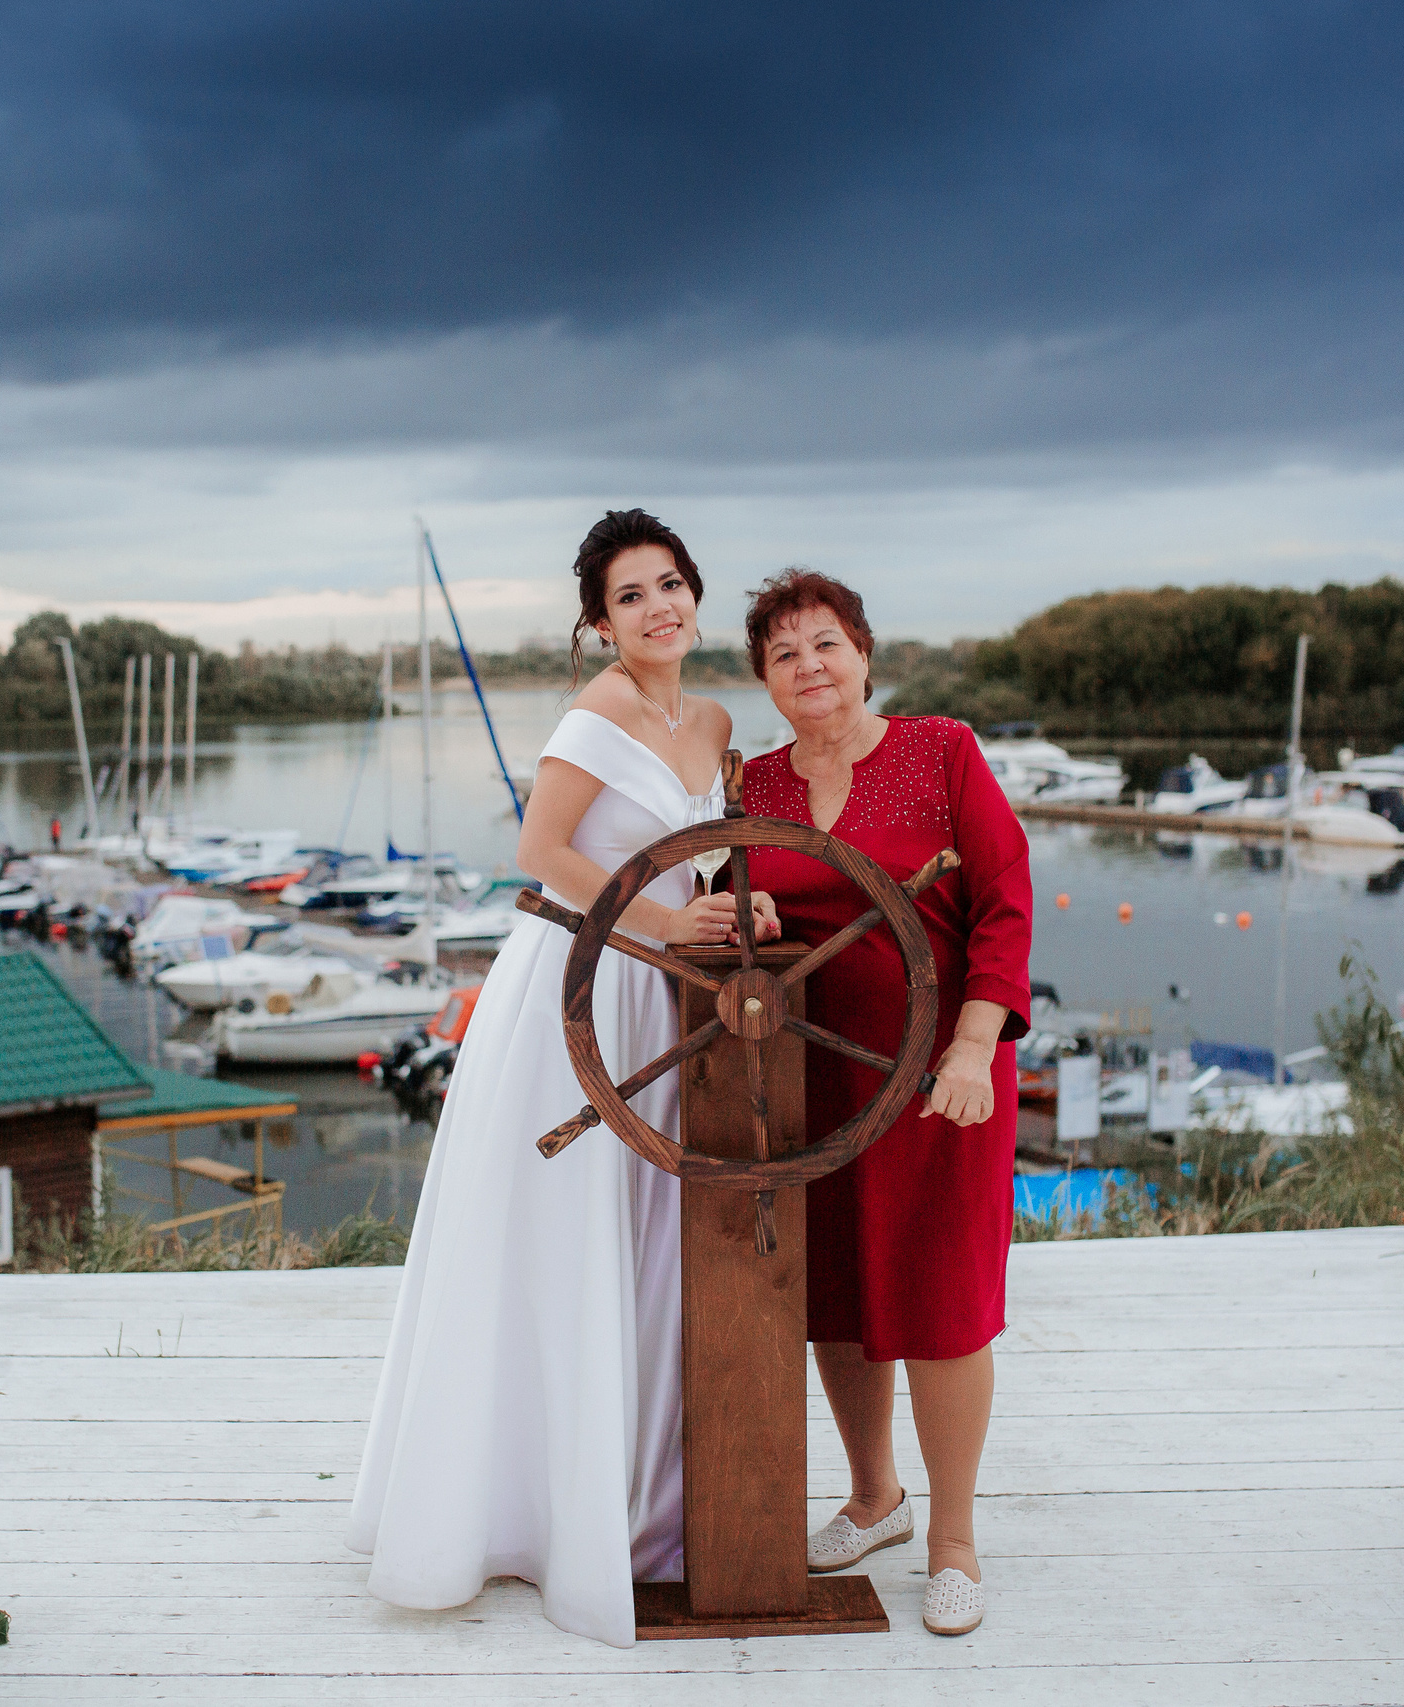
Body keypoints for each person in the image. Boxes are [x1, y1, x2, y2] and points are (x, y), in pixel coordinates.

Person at [348, 509, 779, 1647]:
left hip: (671, 999)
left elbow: (717, 860)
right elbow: (540, 859)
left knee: (649, 1244)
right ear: (599, 624)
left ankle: (643, 1506)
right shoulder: (595, 716)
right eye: (632, 595)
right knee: (566, 1241)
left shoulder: (721, 717)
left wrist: (739, 906)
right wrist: (667, 924)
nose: (661, 607)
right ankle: (534, 1519)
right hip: (583, 989)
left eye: (673, 584)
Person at [737, 568, 1032, 1638]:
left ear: (863, 652)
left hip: (942, 1077)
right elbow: (723, 901)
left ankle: (952, 1539)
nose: (808, 667)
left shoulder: (941, 750)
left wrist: (971, 1045)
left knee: (944, 1306)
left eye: (824, 645)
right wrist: (747, 904)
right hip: (813, 1073)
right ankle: (875, 1501)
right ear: (764, 679)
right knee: (842, 1299)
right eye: (783, 654)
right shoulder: (756, 785)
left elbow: (1004, 901)